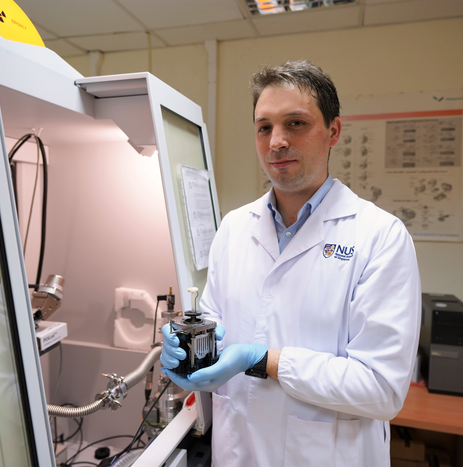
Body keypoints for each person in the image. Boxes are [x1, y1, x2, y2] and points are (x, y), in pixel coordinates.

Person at [161, 60, 421, 467]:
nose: (276, 141)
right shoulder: (233, 227)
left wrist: (262, 360)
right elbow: (215, 323)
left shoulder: (379, 236)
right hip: (238, 453)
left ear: (333, 131)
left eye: (295, 123)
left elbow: (381, 390)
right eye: (264, 127)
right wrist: (188, 346)